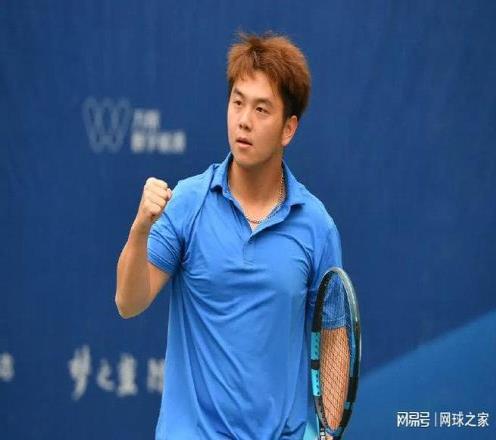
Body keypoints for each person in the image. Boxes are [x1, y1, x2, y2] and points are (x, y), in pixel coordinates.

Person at [115, 32, 343, 440]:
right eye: (237, 102)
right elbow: (128, 302)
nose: (244, 120)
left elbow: (333, 340)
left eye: (261, 109)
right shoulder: (187, 202)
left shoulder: (317, 227)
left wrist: (329, 428)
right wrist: (139, 229)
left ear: (288, 129)